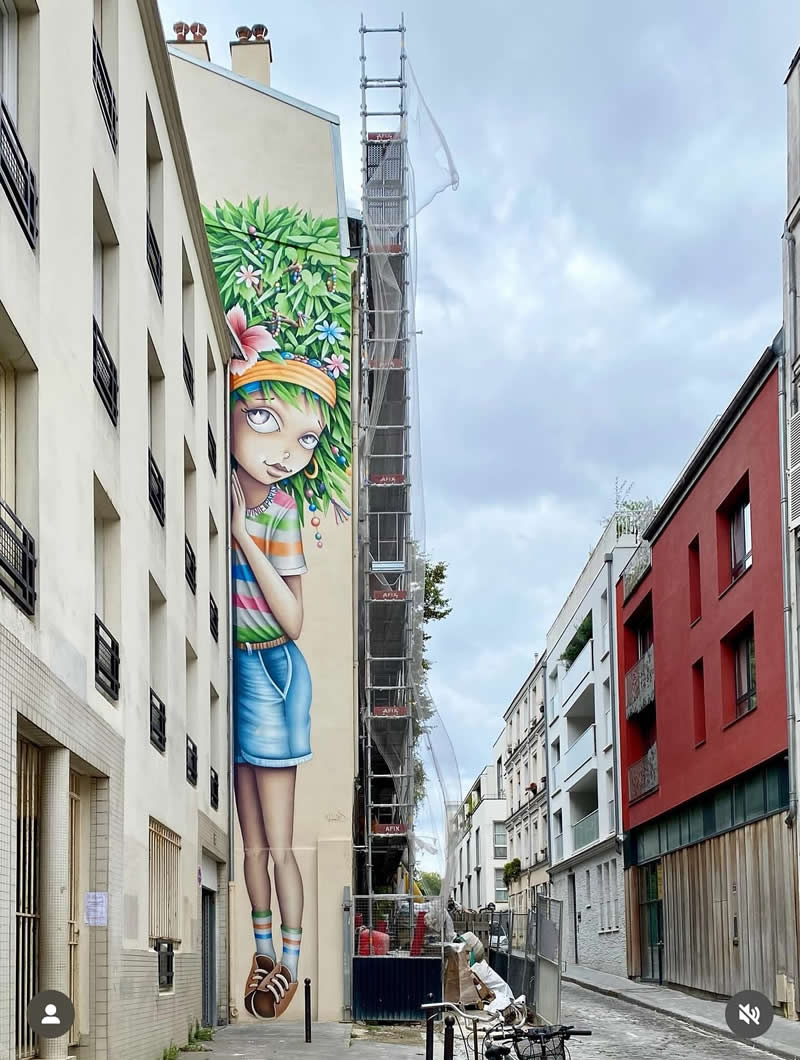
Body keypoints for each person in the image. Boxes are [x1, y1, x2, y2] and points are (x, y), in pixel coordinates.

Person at [226, 300, 351, 1021]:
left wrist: (244, 539)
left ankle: (292, 965)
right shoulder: (218, 483)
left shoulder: (277, 512)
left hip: (272, 672)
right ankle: (263, 949)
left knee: (278, 843)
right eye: (269, 421)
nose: (286, 452)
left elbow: (295, 616)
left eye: (307, 439)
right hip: (233, 671)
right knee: (248, 848)